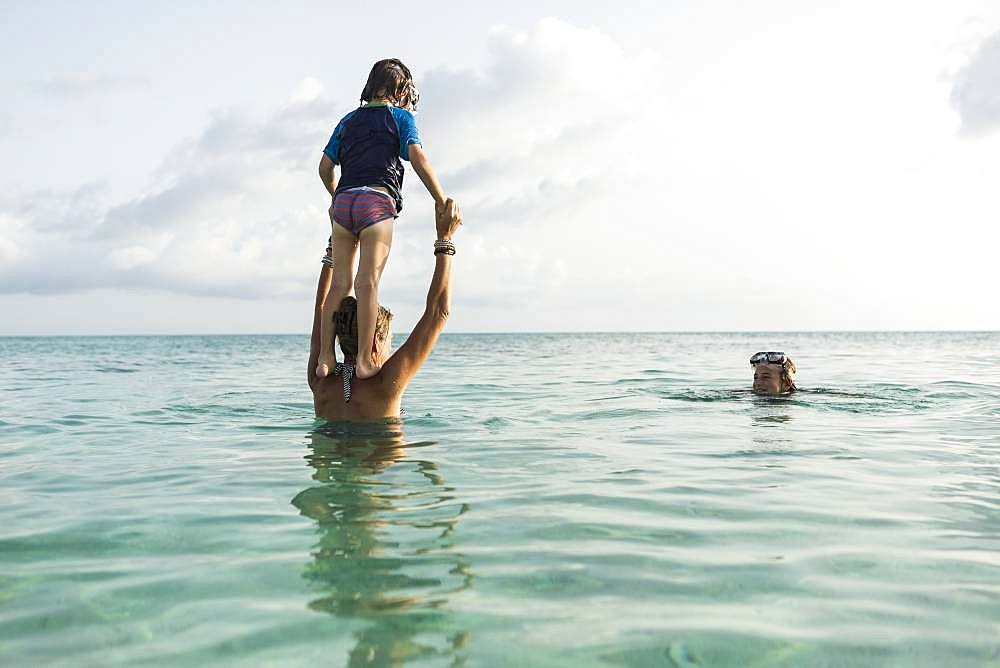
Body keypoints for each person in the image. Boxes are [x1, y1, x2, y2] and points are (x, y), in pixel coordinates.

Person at [316, 58, 449, 381]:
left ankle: (324, 358)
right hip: (377, 201)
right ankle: (363, 359)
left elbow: (324, 167)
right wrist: (441, 199)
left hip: (344, 202)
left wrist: (337, 198)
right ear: (401, 90)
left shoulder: (347, 121)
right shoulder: (401, 117)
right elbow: (418, 157)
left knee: (341, 284)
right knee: (367, 282)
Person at [308, 199, 462, 421]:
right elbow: (438, 312)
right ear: (376, 340)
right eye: (390, 339)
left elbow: (322, 308)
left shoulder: (320, 381)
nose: (390, 347)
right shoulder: (385, 385)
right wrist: (445, 240)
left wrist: (337, 244)